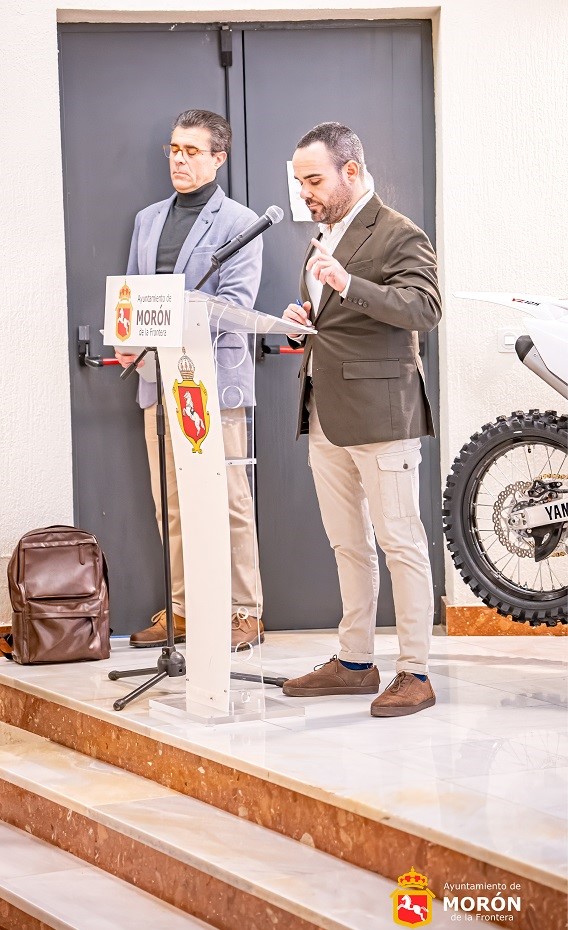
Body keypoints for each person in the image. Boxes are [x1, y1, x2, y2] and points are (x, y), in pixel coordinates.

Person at [282, 122, 441, 716]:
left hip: (382, 415)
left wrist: (348, 283)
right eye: (300, 182)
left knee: (401, 542)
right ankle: (355, 663)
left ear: (351, 171)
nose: (305, 193)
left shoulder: (399, 232)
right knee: (348, 544)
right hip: (324, 412)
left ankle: (416, 672)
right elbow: (334, 321)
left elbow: (424, 309)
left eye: (314, 180)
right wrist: (303, 322)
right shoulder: (321, 238)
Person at [115, 109, 264, 651]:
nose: (178, 159)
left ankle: (244, 613)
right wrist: (128, 333)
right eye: (173, 149)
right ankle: (182, 608)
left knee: (229, 500)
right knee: (171, 502)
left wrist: (166, 319)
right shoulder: (148, 219)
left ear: (218, 158)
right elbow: (134, 293)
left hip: (212, 383)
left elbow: (237, 305)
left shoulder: (241, 222)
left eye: (191, 151)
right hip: (157, 379)